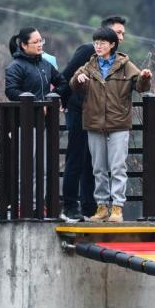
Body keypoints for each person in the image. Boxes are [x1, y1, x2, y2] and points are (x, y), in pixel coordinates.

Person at [70, 26, 152, 223]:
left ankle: (117, 208)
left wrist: (144, 78)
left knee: (117, 167)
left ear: (112, 45)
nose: (98, 46)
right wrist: (78, 79)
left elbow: (140, 86)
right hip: (94, 123)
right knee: (98, 168)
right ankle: (101, 207)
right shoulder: (89, 66)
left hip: (118, 123)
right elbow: (74, 83)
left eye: (103, 43)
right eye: (96, 43)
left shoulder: (125, 64)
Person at [60, 16, 127, 222]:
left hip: (101, 118)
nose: (121, 37)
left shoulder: (118, 60)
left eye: (122, 34)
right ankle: (70, 205)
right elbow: (65, 77)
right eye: (118, 32)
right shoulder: (87, 51)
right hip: (80, 112)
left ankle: (91, 208)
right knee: (76, 158)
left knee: (94, 162)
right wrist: (63, 101)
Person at [5, 27, 67, 216]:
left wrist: (51, 98)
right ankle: (22, 204)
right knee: (26, 167)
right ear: (24, 45)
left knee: (44, 167)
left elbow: (62, 83)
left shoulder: (46, 65)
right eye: (36, 42)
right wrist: (34, 103)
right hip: (24, 124)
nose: (40, 44)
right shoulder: (15, 66)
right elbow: (11, 91)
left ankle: (40, 203)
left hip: (46, 124)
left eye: (42, 41)